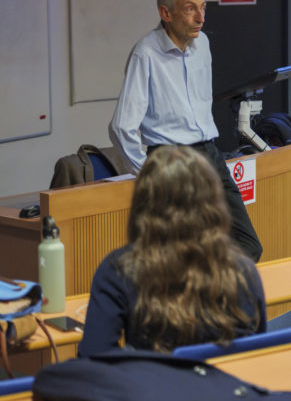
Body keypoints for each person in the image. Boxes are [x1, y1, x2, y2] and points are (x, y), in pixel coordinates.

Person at [109, 0, 262, 262]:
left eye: (203, 7)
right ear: (165, 13)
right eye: (190, 8)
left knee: (248, 245)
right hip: (172, 159)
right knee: (186, 253)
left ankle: (210, 300)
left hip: (209, 152)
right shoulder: (146, 54)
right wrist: (148, 173)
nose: (201, 17)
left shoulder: (202, 43)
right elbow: (121, 127)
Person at [79, 146, 266, 356]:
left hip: (154, 384)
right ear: (213, 202)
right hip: (225, 384)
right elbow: (254, 355)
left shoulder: (119, 269)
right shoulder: (242, 269)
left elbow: (93, 356)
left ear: (143, 203)